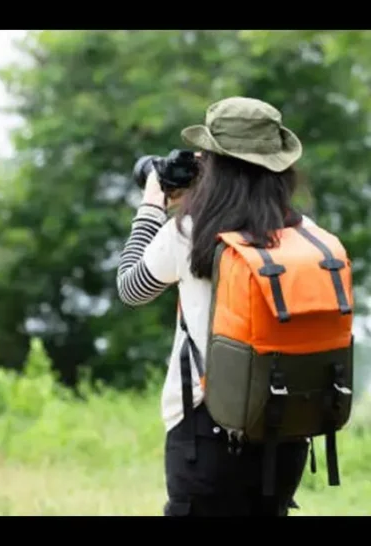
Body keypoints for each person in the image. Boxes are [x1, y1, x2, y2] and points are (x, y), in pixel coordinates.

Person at [116, 96, 312, 516]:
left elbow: (131, 288)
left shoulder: (189, 233)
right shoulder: (307, 234)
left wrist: (153, 204)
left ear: (216, 165)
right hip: (285, 433)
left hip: (205, 435)